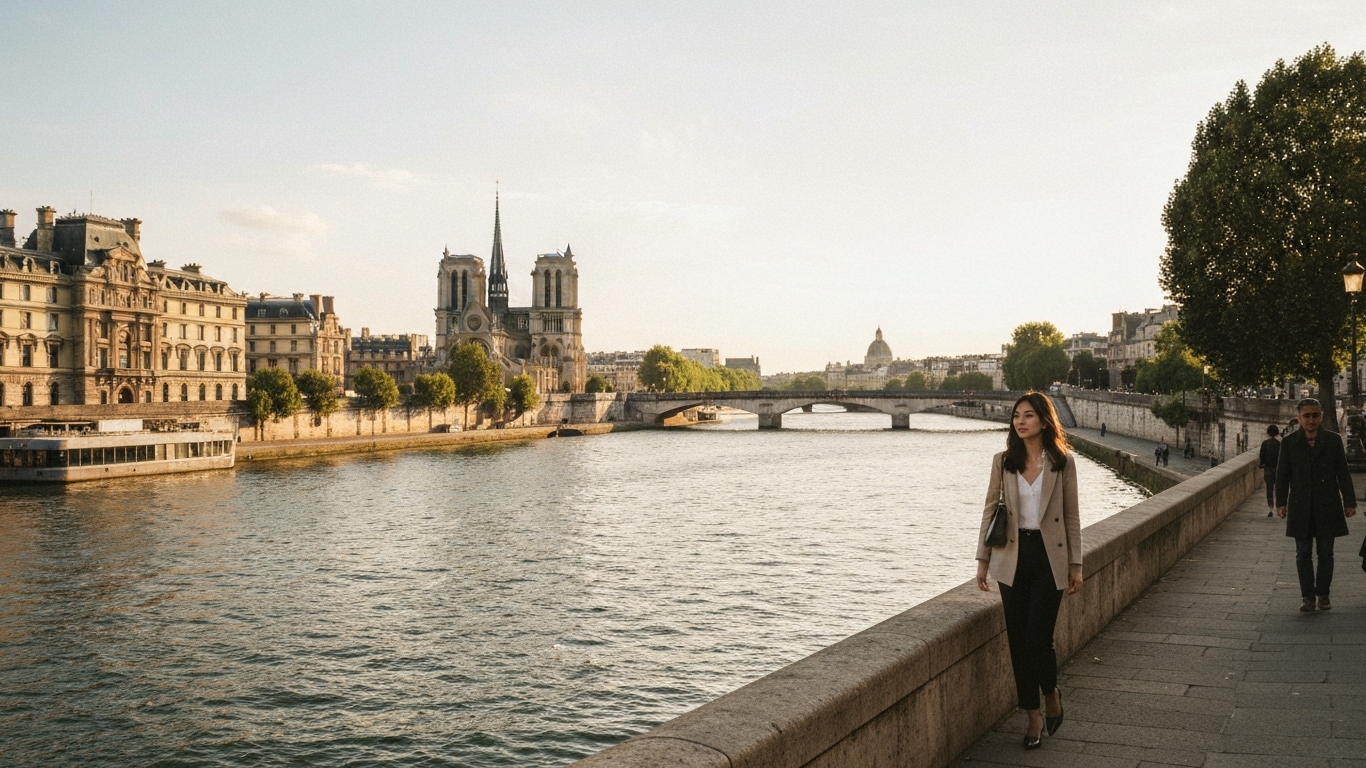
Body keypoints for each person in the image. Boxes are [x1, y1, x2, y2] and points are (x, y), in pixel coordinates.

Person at [976, 392, 1083, 750]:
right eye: (1016, 416)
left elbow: (1071, 517)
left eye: (1028, 416)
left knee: (1039, 639)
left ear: (1043, 420)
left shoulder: (1063, 463)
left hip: (1048, 557)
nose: (1020, 422)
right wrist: (982, 560)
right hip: (1011, 556)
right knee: (1018, 643)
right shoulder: (1003, 461)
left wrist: (1076, 565)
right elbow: (990, 510)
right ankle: (1033, 714)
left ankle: (1051, 691)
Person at [1275, 398, 1356, 612]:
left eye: (1315, 415)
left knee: (1326, 552)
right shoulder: (1290, 443)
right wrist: (1281, 502)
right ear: (1298, 418)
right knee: (1302, 553)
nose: (1311, 420)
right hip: (1301, 505)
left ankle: (1323, 594)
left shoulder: (1333, 441)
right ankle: (1307, 596)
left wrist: (1349, 502)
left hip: (1327, 504)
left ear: (1321, 416)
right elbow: (1282, 475)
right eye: (1307, 416)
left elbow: (1343, 473)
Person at [1259, 425, 1282, 517]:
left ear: (1268, 432)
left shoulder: (1265, 443)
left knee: (1269, 489)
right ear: (1277, 433)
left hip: (1268, 469)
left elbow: (1262, 456)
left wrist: (1262, 464)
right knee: (1278, 489)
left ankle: (1270, 508)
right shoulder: (1279, 444)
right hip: (1277, 469)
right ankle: (1279, 507)